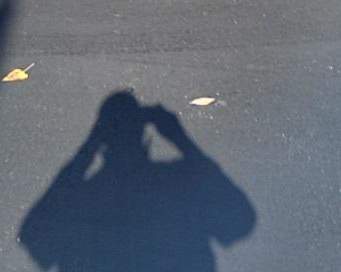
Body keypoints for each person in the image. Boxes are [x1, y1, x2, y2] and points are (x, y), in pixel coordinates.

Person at [20, 91, 256, 271]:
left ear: (103, 140)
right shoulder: (178, 183)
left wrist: (88, 148)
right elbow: (241, 219)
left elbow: (34, 236)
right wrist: (183, 141)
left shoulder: (83, 199)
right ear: (143, 136)